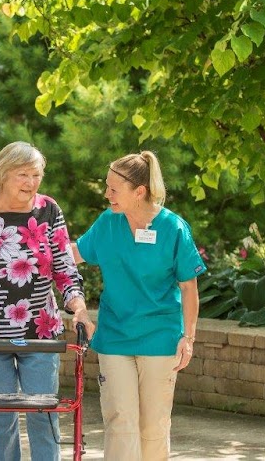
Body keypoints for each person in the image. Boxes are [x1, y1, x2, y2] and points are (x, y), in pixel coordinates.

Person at [0, 141, 95, 461]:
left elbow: (66, 271)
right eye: (22, 174)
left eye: (36, 174)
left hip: (39, 331)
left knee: (44, 414)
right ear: (1, 175)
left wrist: (79, 309)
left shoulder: (49, 210)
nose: (31, 182)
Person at [72, 151, 206, 461]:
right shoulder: (108, 222)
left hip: (160, 338)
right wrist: (33, 248)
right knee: (120, 420)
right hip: (115, 336)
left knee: (154, 425)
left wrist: (189, 337)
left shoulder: (173, 228)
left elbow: (189, 287)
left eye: (113, 189)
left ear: (139, 191)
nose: (107, 194)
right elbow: (76, 252)